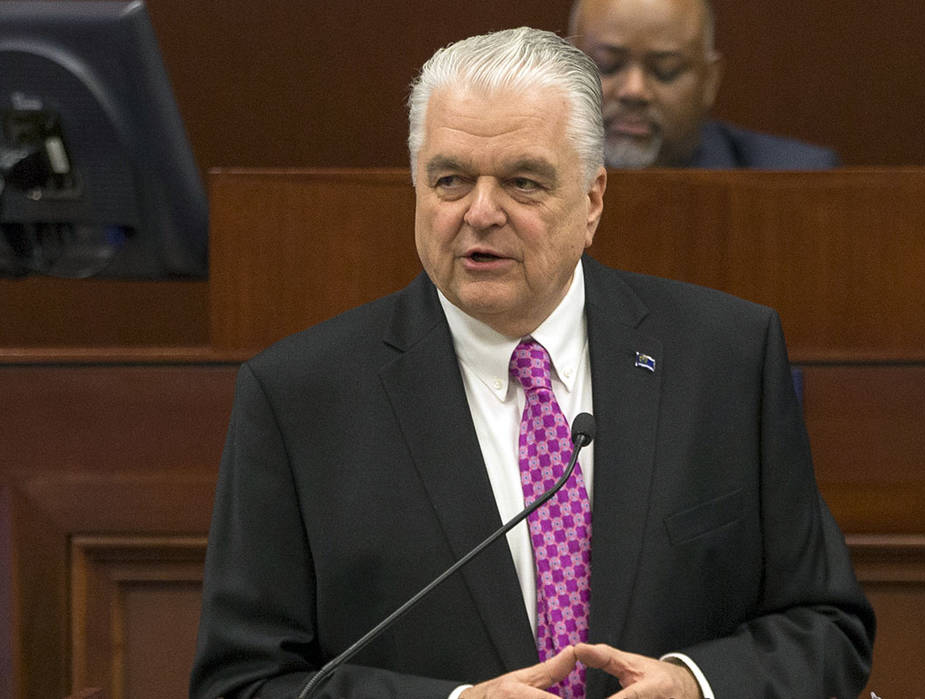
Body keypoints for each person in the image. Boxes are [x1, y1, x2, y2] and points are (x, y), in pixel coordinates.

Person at [190, 27, 874, 698]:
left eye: (522, 182)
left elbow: (826, 627)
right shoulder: (299, 397)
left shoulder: (726, 358)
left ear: (592, 200)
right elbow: (243, 681)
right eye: (451, 180)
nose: (480, 213)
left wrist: (695, 686)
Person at [569, 0, 839, 169]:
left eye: (666, 70)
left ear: (710, 80)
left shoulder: (797, 179)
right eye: (607, 65)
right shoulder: (542, 176)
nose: (634, 90)